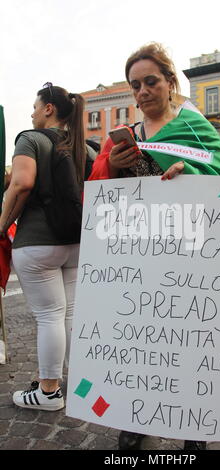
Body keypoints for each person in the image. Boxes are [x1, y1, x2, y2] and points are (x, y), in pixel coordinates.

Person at [89, 42, 220, 451]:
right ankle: (134, 415)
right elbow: (100, 202)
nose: (142, 92)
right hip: (139, 258)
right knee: (143, 341)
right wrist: (113, 167)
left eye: (151, 81)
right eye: (135, 85)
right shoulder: (123, 138)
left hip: (191, 257)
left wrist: (190, 173)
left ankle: (194, 427)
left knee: (188, 340)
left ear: (171, 83)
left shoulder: (196, 129)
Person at [0, 84, 95, 411]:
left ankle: (49, 391)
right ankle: (81, 379)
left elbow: (22, 183)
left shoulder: (30, 139)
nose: (31, 112)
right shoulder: (87, 147)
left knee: (48, 316)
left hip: (38, 241)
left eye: (34, 106)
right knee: (70, 313)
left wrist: (1, 223)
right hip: (78, 241)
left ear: (48, 109)